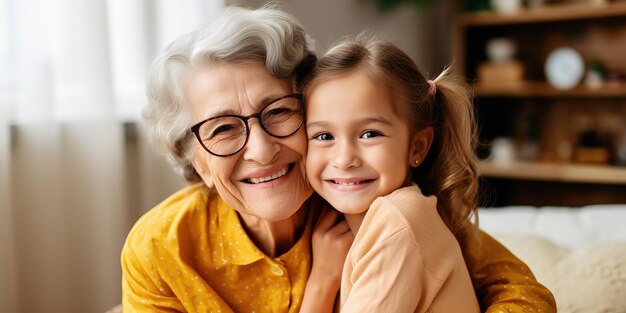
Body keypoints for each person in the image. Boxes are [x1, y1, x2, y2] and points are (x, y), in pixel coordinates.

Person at [121, 5, 556, 313]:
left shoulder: (366, 200)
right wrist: (324, 282)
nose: (261, 149)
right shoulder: (162, 247)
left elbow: (523, 294)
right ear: (195, 160)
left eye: (278, 112)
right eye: (223, 128)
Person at [303, 36, 481, 312]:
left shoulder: (399, 222)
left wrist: (318, 287)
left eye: (370, 134)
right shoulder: (377, 222)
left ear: (417, 146)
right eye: (324, 135)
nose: (344, 159)